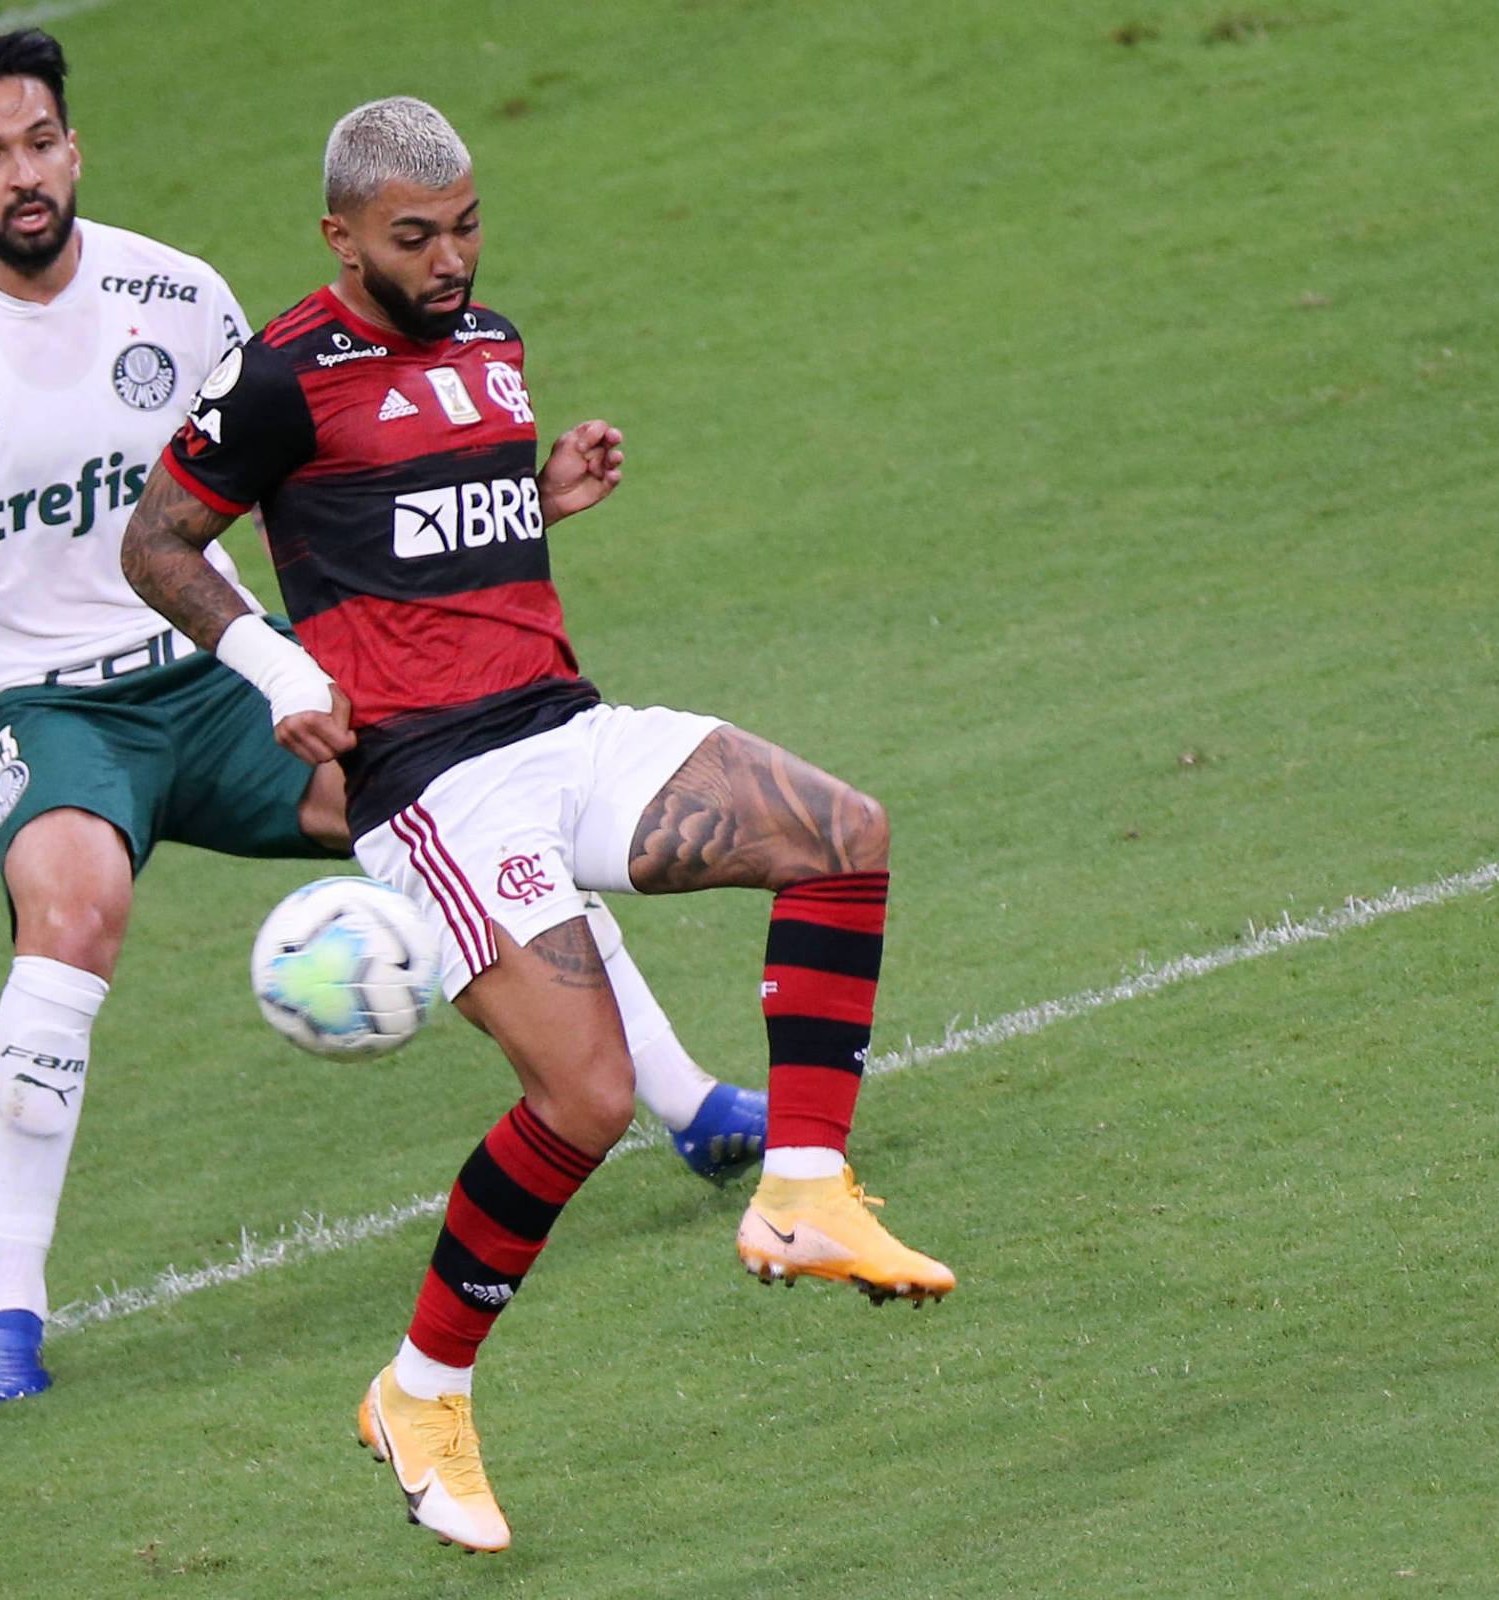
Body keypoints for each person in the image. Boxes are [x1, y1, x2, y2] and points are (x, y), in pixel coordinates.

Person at [0, 35, 764, 1408]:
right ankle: (9, 1308)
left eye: (41, 140)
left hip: (232, 673)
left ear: (75, 147)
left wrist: (520, 502)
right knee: (73, 915)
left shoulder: (176, 296)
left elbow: (342, 469)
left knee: (486, 789)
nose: (25, 172)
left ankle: (693, 1105)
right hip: (55, 707)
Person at [121, 97, 954, 1551]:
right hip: (435, 786)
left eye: (465, 227)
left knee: (843, 830)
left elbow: (419, 537)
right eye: (413, 238)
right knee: (582, 1098)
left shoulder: (489, 345)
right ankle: (421, 1393)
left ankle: (806, 1191)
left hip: (561, 724)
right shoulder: (278, 375)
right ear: (341, 238)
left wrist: (536, 501)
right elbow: (154, 542)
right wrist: (280, 671)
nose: (450, 261)